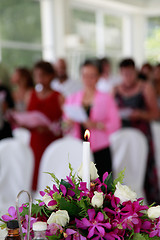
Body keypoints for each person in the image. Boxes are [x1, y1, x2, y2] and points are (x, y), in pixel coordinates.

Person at [113, 58, 159, 204]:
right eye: (124, 74)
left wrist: (139, 114)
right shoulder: (115, 89)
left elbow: (156, 114)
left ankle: (151, 206)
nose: (127, 77)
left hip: (142, 134)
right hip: (121, 136)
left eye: (130, 74)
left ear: (135, 72)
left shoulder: (145, 88)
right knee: (122, 169)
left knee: (145, 169)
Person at [65, 60, 121, 179]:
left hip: (100, 148)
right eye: (85, 75)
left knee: (103, 185)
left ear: (98, 77)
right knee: (78, 184)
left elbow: (115, 124)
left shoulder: (106, 98)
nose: (88, 79)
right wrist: (68, 122)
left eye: (92, 76)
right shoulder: (72, 98)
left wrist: (97, 125)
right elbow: (63, 125)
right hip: (78, 146)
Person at [27, 61, 63, 190]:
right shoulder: (30, 94)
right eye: (36, 76)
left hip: (51, 140)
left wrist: (51, 128)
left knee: (51, 173)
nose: (40, 79)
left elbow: (64, 123)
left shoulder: (59, 97)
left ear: (50, 76)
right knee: (34, 173)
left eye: (43, 75)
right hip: (35, 140)